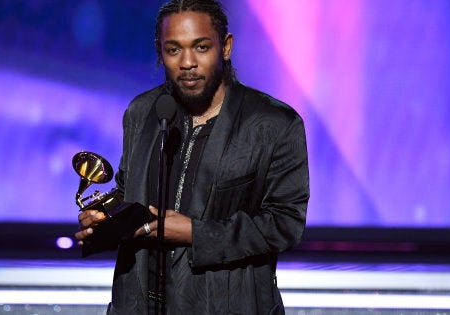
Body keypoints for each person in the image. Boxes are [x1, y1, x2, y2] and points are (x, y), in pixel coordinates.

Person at [75, 0, 309, 314]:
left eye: (201, 47)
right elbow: (130, 193)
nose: (187, 62)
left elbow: (285, 224)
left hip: (226, 304)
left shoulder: (273, 124)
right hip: (139, 302)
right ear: (160, 52)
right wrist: (106, 219)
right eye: (174, 50)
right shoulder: (143, 112)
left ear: (225, 47)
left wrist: (194, 233)